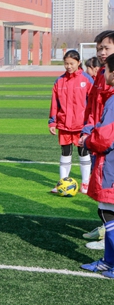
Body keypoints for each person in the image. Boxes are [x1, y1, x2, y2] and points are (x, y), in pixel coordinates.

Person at [79, 53, 114, 278]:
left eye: (107, 70)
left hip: (110, 164)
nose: (104, 74)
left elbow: (105, 137)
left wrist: (88, 139)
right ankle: (108, 262)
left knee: (108, 212)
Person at [48, 50, 93, 194]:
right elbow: (54, 103)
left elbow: (93, 104)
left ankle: (85, 183)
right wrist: (52, 122)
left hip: (82, 126)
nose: (68, 66)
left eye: (71, 63)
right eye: (66, 63)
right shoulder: (59, 81)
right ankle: (63, 183)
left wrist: (90, 124)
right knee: (65, 153)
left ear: (79, 63)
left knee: (83, 153)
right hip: (64, 124)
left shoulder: (86, 80)